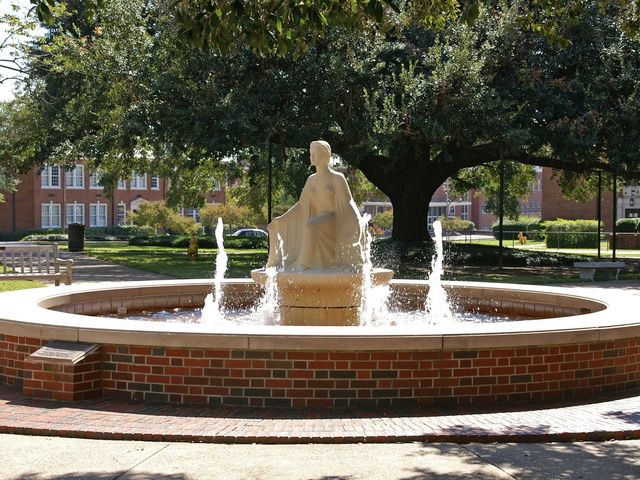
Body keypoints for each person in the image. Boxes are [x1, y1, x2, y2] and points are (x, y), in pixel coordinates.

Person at [266, 140, 364, 270]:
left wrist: (356, 222)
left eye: (315, 153)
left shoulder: (337, 178)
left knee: (311, 225)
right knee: (312, 224)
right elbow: (301, 205)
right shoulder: (311, 180)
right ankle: (312, 264)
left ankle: (304, 264)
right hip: (315, 222)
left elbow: (347, 204)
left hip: (333, 221)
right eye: (310, 153)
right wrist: (281, 219)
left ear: (325, 156)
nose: (311, 157)